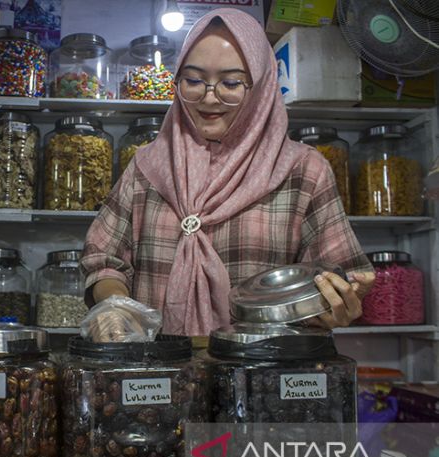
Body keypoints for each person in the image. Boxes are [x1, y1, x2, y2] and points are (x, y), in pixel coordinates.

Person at [81, 8, 375, 338]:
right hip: (159, 376)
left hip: (262, 373)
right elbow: (103, 259)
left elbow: (339, 277)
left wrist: (333, 305)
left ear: (262, 84)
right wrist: (115, 305)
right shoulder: (147, 166)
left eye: (231, 83)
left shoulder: (303, 170)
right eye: (193, 80)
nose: (209, 97)